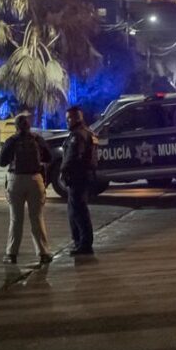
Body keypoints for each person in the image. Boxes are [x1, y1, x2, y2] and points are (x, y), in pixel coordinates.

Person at [0, 114, 52, 265]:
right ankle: (44, 252)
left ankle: (11, 254)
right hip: (35, 179)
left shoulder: (12, 141)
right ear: (29, 125)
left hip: (16, 180)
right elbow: (49, 157)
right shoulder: (37, 139)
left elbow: (1, 162)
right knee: (37, 217)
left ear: (16, 126)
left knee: (16, 219)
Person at [61, 106, 97, 256]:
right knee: (77, 209)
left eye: (69, 118)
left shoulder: (78, 135)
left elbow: (74, 156)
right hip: (85, 175)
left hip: (77, 176)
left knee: (78, 211)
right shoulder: (88, 132)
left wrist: (64, 170)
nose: (67, 121)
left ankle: (84, 244)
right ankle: (81, 243)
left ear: (76, 118)